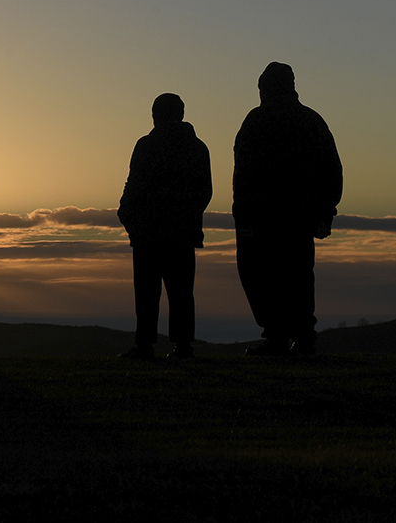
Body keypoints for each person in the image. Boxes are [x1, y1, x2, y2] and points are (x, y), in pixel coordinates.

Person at [233, 62, 342, 356]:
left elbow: (243, 174)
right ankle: (300, 338)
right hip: (298, 216)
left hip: (266, 217)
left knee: (264, 276)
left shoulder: (256, 121)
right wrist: (324, 211)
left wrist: (241, 214)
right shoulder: (311, 121)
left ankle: (280, 337)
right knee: (298, 275)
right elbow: (332, 171)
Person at [117, 93, 212, 359]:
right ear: (181, 114)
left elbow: (133, 184)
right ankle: (182, 346)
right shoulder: (197, 147)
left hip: (148, 230)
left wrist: (127, 213)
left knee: (147, 292)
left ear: (156, 114)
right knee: (181, 291)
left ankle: (145, 345)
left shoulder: (147, 145)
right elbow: (205, 192)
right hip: (181, 231)